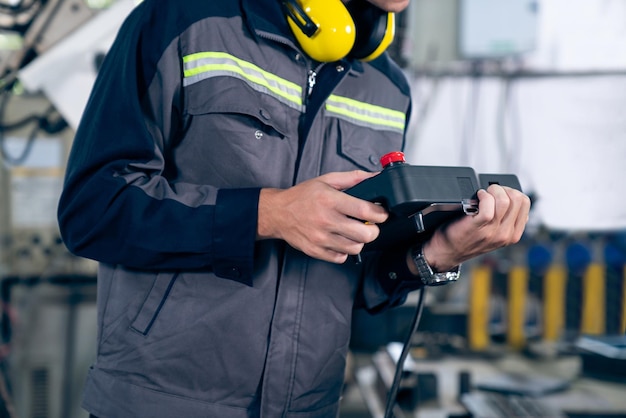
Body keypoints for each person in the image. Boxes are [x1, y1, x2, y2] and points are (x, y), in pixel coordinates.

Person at [57, 0, 531, 417]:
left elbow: (355, 276)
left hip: (310, 405)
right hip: (161, 402)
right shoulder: (182, 21)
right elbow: (94, 209)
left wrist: (433, 257)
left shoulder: (389, 88)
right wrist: (271, 214)